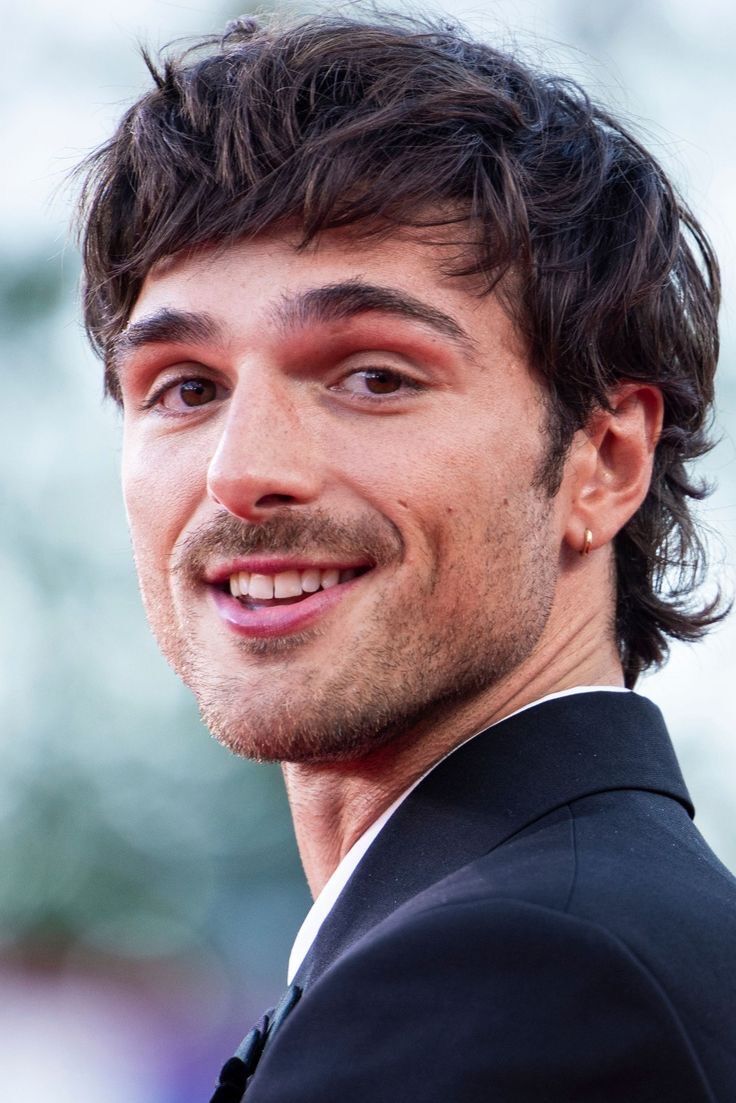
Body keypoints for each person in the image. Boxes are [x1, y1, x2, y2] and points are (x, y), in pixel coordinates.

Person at [75, 12, 736, 1102]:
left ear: (605, 461)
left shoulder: (518, 980)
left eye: (373, 375)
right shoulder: (599, 929)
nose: (241, 473)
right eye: (185, 387)